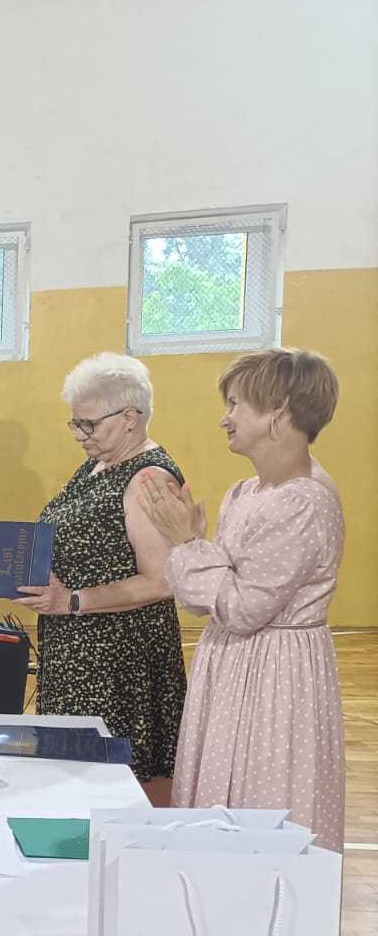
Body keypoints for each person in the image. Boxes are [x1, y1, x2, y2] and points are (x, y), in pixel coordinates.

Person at [143, 349, 345, 850]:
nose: (225, 418)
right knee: (223, 791)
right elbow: (205, 600)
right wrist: (194, 546)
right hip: (236, 661)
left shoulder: (301, 501)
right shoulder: (246, 492)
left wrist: (187, 543)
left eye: (236, 404)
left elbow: (241, 608)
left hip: (275, 672)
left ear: (278, 410)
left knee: (264, 792)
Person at [14, 353, 187, 797]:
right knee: (75, 780)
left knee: (118, 785)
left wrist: (72, 600)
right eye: (74, 423)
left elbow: (161, 581)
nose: (79, 434)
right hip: (77, 648)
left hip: (119, 659)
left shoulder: (149, 478)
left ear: (130, 418)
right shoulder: (99, 463)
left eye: (88, 424)